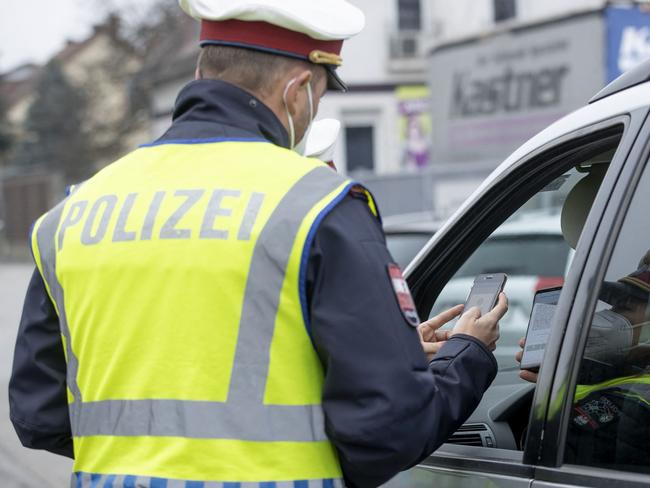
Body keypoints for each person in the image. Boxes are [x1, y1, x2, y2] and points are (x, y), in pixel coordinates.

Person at [8, 1, 507, 487]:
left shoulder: (73, 213)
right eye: (320, 95)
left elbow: (40, 416)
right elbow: (386, 434)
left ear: (203, 70)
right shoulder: (319, 205)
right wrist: (465, 355)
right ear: (298, 91)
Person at [516, 251, 650, 469]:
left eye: (623, 308)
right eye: (612, 306)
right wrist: (571, 373)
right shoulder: (636, 374)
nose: (607, 314)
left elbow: (548, 452)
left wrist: (554, 397)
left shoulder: (634, 408)